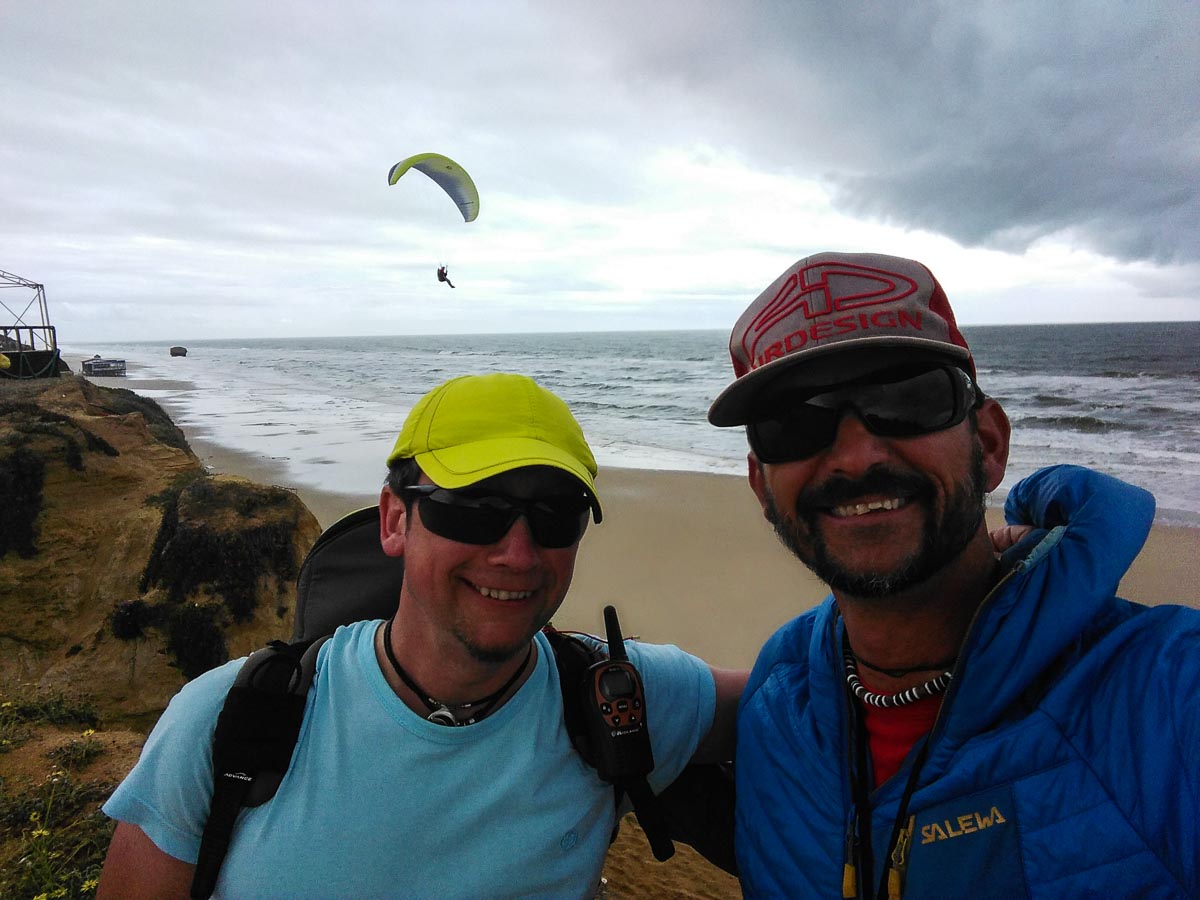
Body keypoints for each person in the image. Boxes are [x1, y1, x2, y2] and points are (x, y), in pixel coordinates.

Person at [99, 372, 745, 899]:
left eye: (556, 514)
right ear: (394, 521)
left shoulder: (613, 695)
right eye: (474, 508)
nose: (518, 554)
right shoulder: (224, 722)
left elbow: (780, 694)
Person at [707, 251, 1200, 897]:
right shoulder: (780, 695)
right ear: (760, 485)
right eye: (793, 423)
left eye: (906, 398)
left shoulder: (1166, 693)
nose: (855, 456)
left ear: (989, 445)